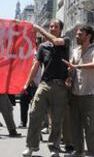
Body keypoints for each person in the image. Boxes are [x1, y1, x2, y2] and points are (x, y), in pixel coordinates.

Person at [22, 19, 70, 157]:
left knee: (56, 120)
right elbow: (35, 66)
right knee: (35, 114)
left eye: (55, 26)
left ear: (61, 30)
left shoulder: (65, 41)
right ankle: (31, 147)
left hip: (60, 87)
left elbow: (56, 41)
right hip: (44, 85)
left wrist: (38, 29)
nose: (52, 28)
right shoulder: (43, 47)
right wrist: (27, 83)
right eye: (50, 26)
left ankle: (54, 149)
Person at [63, 25, 94, 157]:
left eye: (80, 34)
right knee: (75, 125)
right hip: (75, 93)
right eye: (76, 34)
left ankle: (92, 152)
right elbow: (71, 68)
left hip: (90, 94)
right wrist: (69, 77)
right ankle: (78, 151)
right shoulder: (75, 50)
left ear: (88, 36)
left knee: (90, 126)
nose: (77, 36)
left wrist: (77, 66)